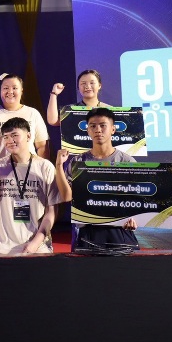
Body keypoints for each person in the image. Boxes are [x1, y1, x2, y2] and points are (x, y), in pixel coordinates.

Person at [55, 107, 138, 252]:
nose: (98, 130)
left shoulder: (127, 161)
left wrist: (134, 219)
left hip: (119, 230)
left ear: (113, 129)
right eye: (93, 126)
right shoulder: (78, 161)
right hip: (87, 231)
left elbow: (137, 199)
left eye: (103, 125)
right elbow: (67, 196)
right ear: (88, 131)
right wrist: (58, 165)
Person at [0, 117, 60, 254]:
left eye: (15, 135)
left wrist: (36, 243)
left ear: (28, 136)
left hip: (37, 246)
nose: (10, 141)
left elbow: (51, 212)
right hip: (2, 246)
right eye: (6, 137)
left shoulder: (45, 167)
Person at [0, 73, 50, 162]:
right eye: (6, 88)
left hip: (28, 168)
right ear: (0, 91)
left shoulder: (32, 113)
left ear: (21, 91)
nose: (10, 92)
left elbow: (42, 146)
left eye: (14, 88)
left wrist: (42, 167)